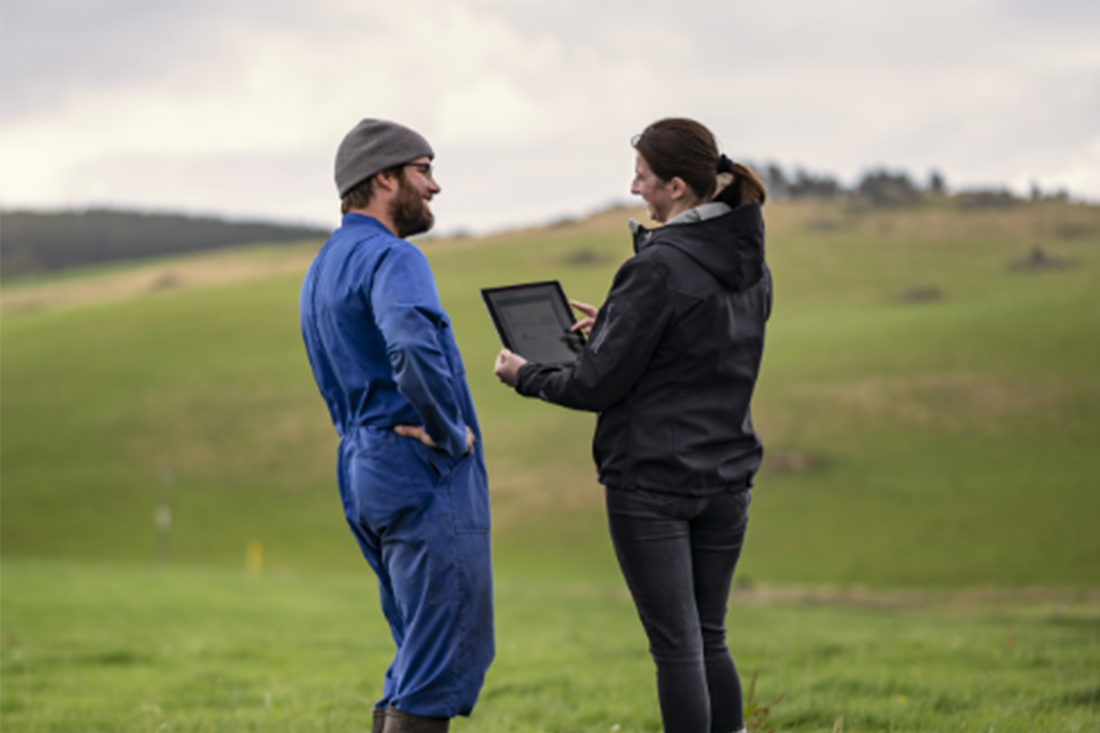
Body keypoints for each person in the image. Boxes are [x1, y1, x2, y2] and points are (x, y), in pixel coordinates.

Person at [493, 117, 770, 733]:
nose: (633, 187)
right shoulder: (751, 263)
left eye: (642, 176)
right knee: (709, 636)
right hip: (726, 480)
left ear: (675, 186)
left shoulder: (658, 266)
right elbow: (698, 350)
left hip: (653, 483)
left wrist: (525, 373)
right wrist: (620, 325)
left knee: (676, 647)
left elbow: (594, 385)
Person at [300, 118, 494, 733]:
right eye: (424, 170)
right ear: (384, 178)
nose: (434, 187)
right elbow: (411, 345)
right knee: (438, 656)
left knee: (414, 650)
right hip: (419, 467)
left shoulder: (323, 266)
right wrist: (445, 427)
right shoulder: (393, 256)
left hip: (364, 467)